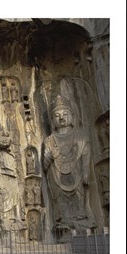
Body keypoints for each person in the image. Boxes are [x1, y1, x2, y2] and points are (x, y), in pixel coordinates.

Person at [43, 95, 96, 231]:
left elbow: (85, 152)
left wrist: (85, 170)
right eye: (57, 115)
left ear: (72, 116)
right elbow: (44, 165)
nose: (61, 118)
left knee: (79, 197)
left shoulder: (80, 135)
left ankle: (81, 220)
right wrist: (50, 156)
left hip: (76, 173)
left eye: (65, 114)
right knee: (60, 198)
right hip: (56, 174)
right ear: (52, 120)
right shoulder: (49, 140)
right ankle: (63, 223)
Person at [0, 128, 25, 232]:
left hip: (11, 181)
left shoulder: (11, 156)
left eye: (7, 137)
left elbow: (16, 173)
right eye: (1, 137)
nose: (4, 139)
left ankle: (17, 217)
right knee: (2, 197)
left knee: (16, 196)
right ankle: (3, 219)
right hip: (1, 182)